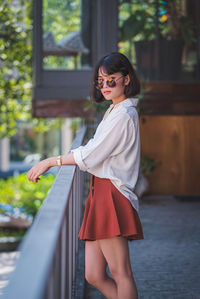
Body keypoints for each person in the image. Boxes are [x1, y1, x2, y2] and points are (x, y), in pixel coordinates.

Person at [27, 52, 144, 299]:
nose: (105, 86)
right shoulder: (114, 112)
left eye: (111, 79)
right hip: (100, 192)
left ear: (126, 79)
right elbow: (92, 150)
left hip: (111, 193)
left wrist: (52, 161)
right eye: (101, 81)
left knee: (121, 271)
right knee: (93, 274)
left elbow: (92, 155)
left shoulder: (123, 115)